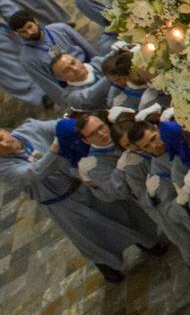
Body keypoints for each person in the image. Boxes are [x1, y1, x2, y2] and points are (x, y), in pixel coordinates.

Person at [0, 119, 161, 282]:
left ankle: (146, 241)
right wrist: (56, 149)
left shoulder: (30, 128)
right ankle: (107, 264)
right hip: (62, 202)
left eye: (1, 137)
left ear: (4, 131)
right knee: (92, 234)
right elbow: (33, 173)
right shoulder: (3, 168)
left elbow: (62, 126)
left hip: (81, 181)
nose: (4, 144)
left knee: (122, 211)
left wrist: (76, 127)